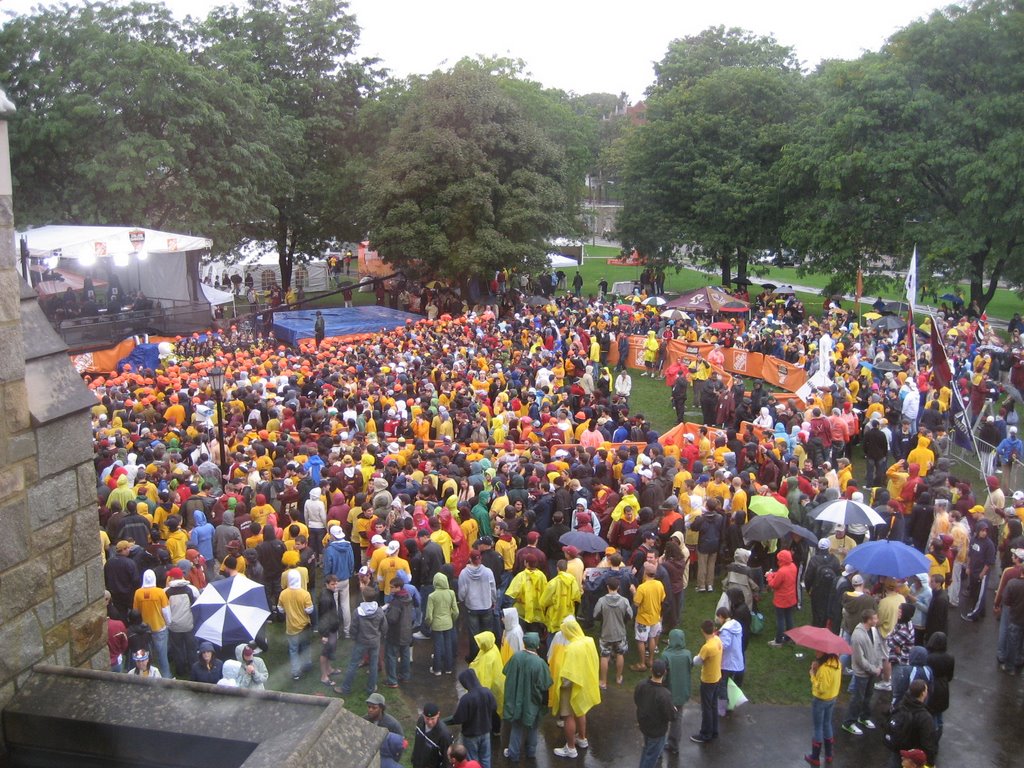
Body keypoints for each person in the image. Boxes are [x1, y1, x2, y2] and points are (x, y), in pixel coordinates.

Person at [551, 616, 600, 759]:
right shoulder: (589, 641)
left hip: (571, 686)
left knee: (568, 716)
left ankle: (570, 748)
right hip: (585, 682)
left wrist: (560, 683)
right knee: (581, 711)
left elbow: (567, 676)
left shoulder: (571, 648)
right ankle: (582, 738)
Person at [502, 632, 552, 763]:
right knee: (533, 726)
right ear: (537, 645)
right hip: (533, 701)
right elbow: (545, 685)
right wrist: (544, 704)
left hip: (516, 700)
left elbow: (506, 673)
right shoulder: (540, 663)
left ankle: (513, 754)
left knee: (516, 727)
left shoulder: (515, 657)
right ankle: (531, 752)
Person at [843, 609, 885, 736]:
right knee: (858, 698)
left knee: (868, 696)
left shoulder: (873, 630)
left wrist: (879, 665)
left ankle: (864, 717)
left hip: (872, 671)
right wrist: (874, 669)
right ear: (869, 620)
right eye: (875, 618)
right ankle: (848, 722)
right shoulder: (858, 636)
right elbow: (859, 659)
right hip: (862, 673)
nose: (877, 621)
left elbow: (877, 648)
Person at [341, 587, 387, 696]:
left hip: (361, 641)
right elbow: (384, 626)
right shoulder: (379, 611)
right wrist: (380, 635)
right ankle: (371, 688)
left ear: (363, 597)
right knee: (373, 664)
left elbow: (353, 628)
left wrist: (354, 637)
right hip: (375, 641)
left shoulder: (357, 612)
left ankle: (345, 688)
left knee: (353, 664)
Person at [450, 669, 497, 768]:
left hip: (471, 736)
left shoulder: (466, 699)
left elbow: (458, 719)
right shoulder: (487, 692)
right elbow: (494, 708)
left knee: (472, 760)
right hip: (486, 732)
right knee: (486, 759)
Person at [633, 658, 675, 768]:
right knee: (651, 756)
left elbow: (636, 700)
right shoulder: (664, 694)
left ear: (651, 670)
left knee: (647, 749)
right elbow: (671, 715)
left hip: (644, 725)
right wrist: (674, 710)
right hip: (657, 731)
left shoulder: (641, 685)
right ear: (665, 672)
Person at [886, 679, 937, 768]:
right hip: (912, 757)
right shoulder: (924, 717)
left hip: (897, 749)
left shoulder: (901, 705)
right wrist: (930, 763)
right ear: (923, 693)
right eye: (926, 690)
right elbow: (927, 743)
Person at [593, 576, 633, 688]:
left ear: (607, 587)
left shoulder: (601, 601)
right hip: (620, 633)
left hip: (606, 633)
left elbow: (595, 615)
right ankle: (618, 677)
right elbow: (630, 615)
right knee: (620, 654)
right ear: (618, 587)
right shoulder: (624, 601)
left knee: (604, 656)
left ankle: (603, 681)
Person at [133, 569, 171, 678]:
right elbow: (166, 611)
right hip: (159, 627)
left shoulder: (138, 593)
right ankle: (166, 678)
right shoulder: (160, 592)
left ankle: (149, 676)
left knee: (148, 655)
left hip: (144, 630)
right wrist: (168, 623)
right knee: (162, 656)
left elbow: (136, 611)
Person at [805, 651, 841, 766]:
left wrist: (813, 674)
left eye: (818, 651)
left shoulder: (824, 669)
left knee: (818, 727)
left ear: (825, 653)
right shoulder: (837, 663)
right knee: (827, 724)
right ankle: (829, 755)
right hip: (832, 698)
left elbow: (821, 688)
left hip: (820, 701)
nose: (816, 652)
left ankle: (815, 757)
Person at [659, 628, 692, 754]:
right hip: (682, 692)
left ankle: (659, 746)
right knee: (677, 718)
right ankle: (674, 745)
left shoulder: (666, 655)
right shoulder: (687, 654)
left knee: (662, 720)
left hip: (668, 693)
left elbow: (662, 675)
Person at [691, 619, 722, 744]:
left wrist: (691, 658)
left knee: (706, 708)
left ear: (702, 631)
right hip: (717, 677)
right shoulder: (717, 640)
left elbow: (697, 661)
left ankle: (705, 733)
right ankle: (714, 731)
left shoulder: (707, 647)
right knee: (713, 706)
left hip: (708, 680)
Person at [279, 568, 314, 680]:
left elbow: (280, 609)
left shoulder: (283, 594)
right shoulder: (305, 594)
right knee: (305, 646)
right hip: (304, 626)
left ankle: (295, 672)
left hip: (291, 627)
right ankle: (307, 664)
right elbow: (310, 610)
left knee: (293, 650)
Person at [632, 562, 665, 671]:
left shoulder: (642, 588)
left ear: (645, 573)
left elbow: (636, 603)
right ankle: (650, 660)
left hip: (643, 619)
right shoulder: (659, 584)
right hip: (655, 617)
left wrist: (633, 592)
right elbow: (662, 598)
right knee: (652, 638)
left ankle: (642, 664)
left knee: (641, 640)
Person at [962, 519, 996, 621]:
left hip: (982, 573)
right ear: (977, 530)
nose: (984, 533)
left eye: (986, 531)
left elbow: (989, 562)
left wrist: (982, 573)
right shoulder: (973, 540)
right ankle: (981, 611)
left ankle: (973, 616)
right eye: (982, 530)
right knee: (974, 592)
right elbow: (970, 555)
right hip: (973, 571)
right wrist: (968, 567)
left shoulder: (989, 544)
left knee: (979, 595)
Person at [426, 571, 459, 675]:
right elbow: (456, 611)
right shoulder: (451, 593)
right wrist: (452, 620)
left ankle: (437, 669)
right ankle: (448, 668)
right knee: (448, 645)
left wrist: (429, 623)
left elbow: (429, 615)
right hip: (448, 623)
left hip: (436, 624)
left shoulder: (432, 596)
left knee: (437, 646)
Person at [384, 575, 415, 688]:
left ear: (398, 588)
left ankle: (392, 680)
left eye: (392, 587)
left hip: (396, 633)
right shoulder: (408, 597)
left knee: (391, 656)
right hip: (407, 631)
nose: (390, 589)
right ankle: (405, 676)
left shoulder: (396, 602)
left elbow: (392, 619)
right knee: (405, 655)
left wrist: (386, 613)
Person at [804, 539, 841, 629]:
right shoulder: (835, 559)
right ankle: (827, 628)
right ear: (828, 547)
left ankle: (817, 628)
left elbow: (808, 577)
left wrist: (808, 589)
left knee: (817, 611)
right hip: (831, 590)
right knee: (828, 610)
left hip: (817, 591)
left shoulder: (814, 560)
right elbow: (838, 575)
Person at [715, 605, 745, 716]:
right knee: (730, 685)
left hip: (727, 662)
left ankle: (722, 709)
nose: (717, 620)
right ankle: (731, 705)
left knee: (722, 685)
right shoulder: (736, 625)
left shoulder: (726, 629)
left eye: (718, 617)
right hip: (737, 661)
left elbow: (724, 645)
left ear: (722, 616)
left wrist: (716, 640)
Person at [767, 549, 798, 647]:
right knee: (789, 617)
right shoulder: (793, 566)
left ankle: (778, 641)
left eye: (779, 559)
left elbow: (774, 584)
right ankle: (789, 637)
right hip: (791, 598)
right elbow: (783, 577)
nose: (778, 561)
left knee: (780, 620)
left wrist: (769, 576)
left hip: (781, 600)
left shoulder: (782, 571)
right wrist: (774, 575)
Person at [413, 702, 453, 768]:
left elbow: (447, 761)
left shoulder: (444, 735)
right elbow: (417, 743)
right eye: (427, 718)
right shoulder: (420, 721)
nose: (429, 722)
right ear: (423, 715)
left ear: (438, 715)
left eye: (432, 719)